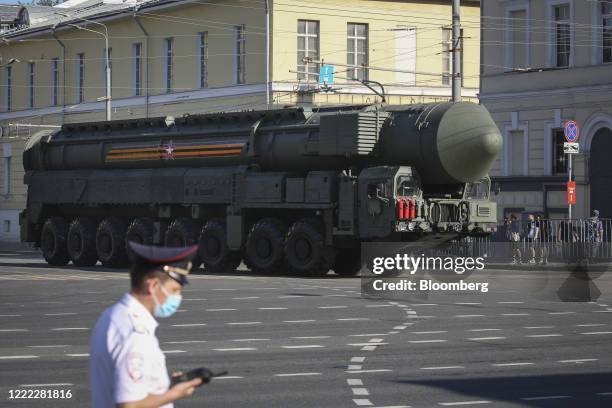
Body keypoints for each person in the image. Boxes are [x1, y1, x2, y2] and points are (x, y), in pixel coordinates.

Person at [90, 241, 203, 408]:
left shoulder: (112, 316)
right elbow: (130, 405)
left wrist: (164, 384)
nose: (177, 298)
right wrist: (175, 393)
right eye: (174, 290)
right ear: (153, 286)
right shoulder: (136, 334)